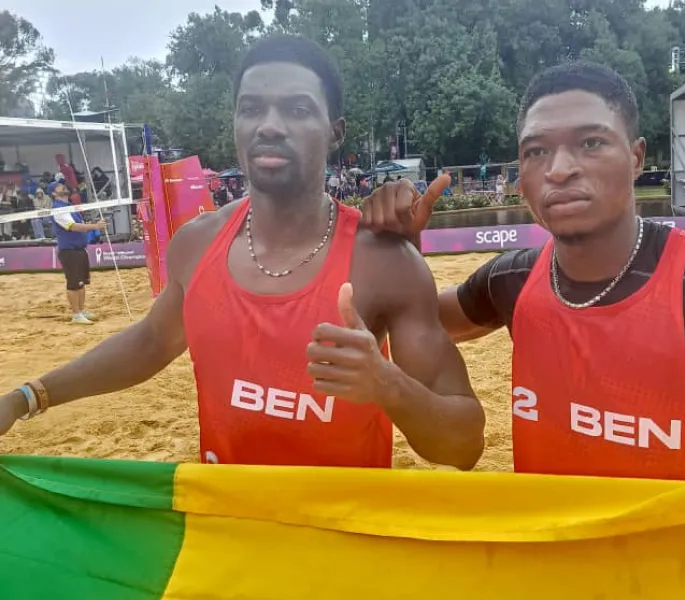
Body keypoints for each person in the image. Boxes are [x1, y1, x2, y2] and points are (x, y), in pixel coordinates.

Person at [362, 61, 685, 562]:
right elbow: (414, 322)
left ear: (637, 158)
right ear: (520, 176)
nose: (559, 168)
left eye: (590, 143)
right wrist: (401, 250)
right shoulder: (511, 279)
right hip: (553, 572)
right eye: (536, 151)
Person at [0, 35, 485, 472]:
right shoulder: (197, 242)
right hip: (225, 538)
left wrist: (387, 385)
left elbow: (464, 447)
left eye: (296, 110)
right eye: (251, 108)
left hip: (341, 546)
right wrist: (27, 397)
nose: (269, 126)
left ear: (335, 131)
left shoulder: (385, 262)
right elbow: (151, 341)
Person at [47, 182, 106, 324]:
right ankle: (76, 314)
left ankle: (81, 310)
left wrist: (93, 224)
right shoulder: (58, 209)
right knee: (74, 283)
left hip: (79, 248)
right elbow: (73, 227)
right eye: (59, 187)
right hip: (69, 250)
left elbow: (78, 224)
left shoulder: (70, 206)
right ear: (54, 193)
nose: (63, 187)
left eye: (63, 185)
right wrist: (95, 226)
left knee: (81, 282)